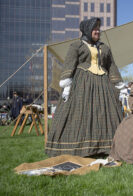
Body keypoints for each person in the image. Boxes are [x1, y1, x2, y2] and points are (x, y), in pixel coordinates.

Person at [46, 18, 123, 157]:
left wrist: (119, 86)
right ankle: (78, 146)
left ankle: (105, 146)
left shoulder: (104, 47)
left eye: (99, 28)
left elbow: (111, 66)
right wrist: (67, 85)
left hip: (103, 84)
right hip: (82, 84)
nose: (98, 31)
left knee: (104, 113)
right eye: (95, 28)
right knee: (80, 112)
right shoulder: (76, 46)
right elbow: (70, 63)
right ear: (87, 30)